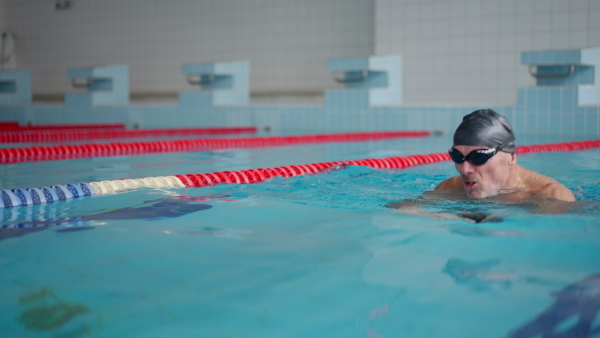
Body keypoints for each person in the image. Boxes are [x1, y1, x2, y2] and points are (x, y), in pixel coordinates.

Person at [436, 109, 575, 202]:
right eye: (457, 156)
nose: (465, 169)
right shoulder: (449, 188)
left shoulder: (552, 196)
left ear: (511, 157)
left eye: (478, 157)